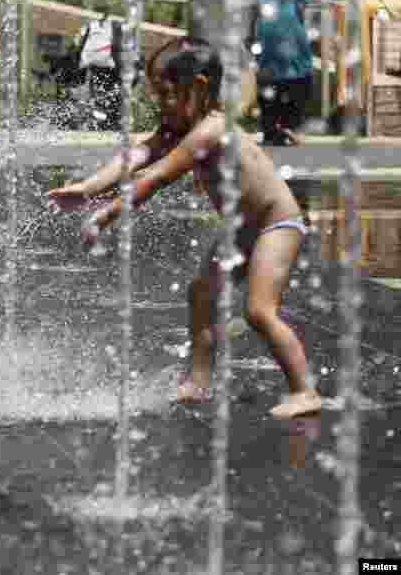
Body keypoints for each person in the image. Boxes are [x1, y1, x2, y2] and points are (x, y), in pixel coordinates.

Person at [45, 36, 322, 420]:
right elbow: (138, 154)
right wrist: (88, 186)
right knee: (201, 294)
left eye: (167, 94)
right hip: (241, 226)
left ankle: (304, 391)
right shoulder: (181, 127)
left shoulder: (210, 131)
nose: (160, 104)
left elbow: (155, 176)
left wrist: (105, 214)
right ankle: (198, 380)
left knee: (259, 311)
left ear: (199, 88)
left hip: (276, 224)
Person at [251, 0, 313, 147]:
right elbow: (303, 1)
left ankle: (269, 129)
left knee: (267, 74)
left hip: (264, 28)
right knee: (301, 71)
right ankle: (290, 125)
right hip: (288, 26)